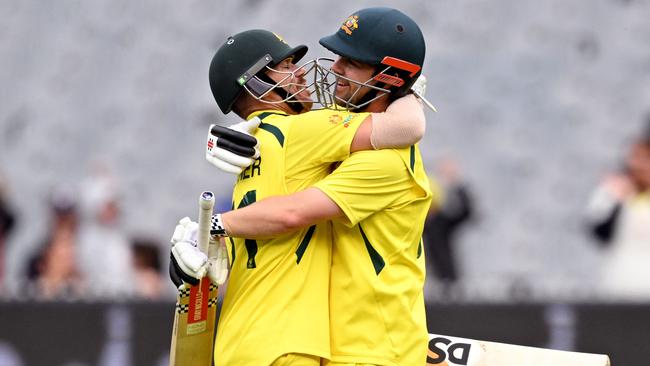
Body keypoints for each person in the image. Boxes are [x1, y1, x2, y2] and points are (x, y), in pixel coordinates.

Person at [171, 7, 432, 366]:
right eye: (287, 66)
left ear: (388, 77)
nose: (332, 69)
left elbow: (291, 211)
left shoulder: (384, 159)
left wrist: (213, 227)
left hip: (373, 349)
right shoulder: (303, 138)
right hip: (307, 343)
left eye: (351, 61)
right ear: (259, 84)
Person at [585, 133, 650, 300]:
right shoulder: (613, 190)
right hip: (621, 284)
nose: (641, 165)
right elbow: (600, 234)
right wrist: (619, 201)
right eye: (637, 158)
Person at [423, 158, 474, 286]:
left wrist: (456, 183)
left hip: (448, 279)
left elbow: (466, 212)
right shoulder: (418, 223)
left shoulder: (442, 222)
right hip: (424, 282)